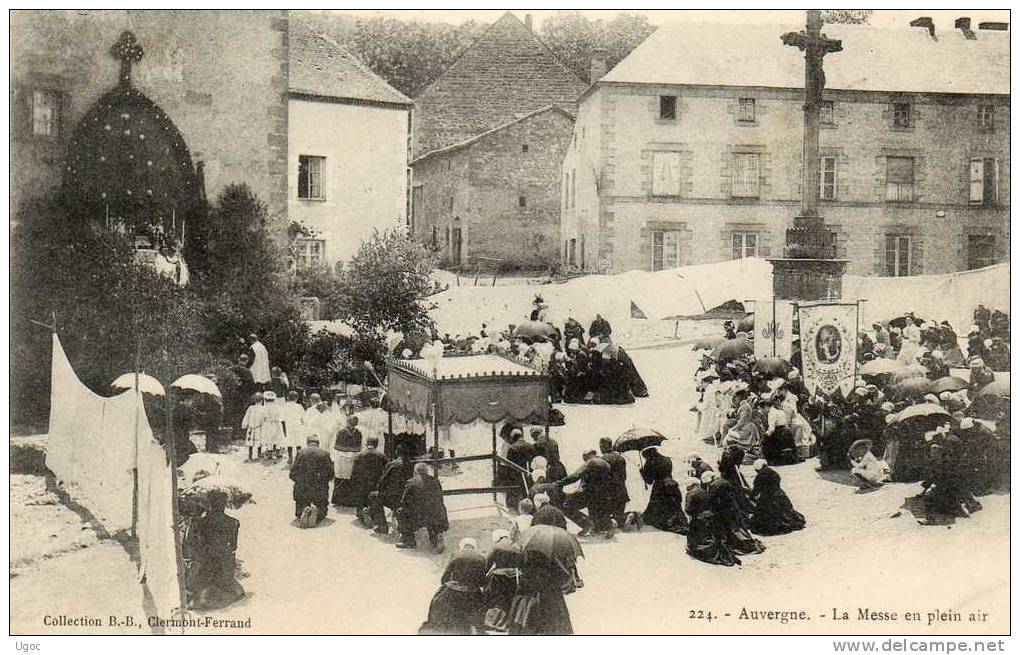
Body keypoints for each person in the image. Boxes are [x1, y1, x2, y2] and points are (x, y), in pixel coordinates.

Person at [187, 489, 245, 610]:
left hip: (205, 565)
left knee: (200, 591)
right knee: (237, 592)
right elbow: (233, 546)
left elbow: (193, 545)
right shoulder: (233, 522)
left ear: (209, 504)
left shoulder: (200, 522)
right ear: (224, 504)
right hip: (224, 565)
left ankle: (203, 596)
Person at [418, 538, 489, 634]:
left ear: (462, 546)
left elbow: (446, 575)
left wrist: (445, 585)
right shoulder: (481, 558)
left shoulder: (456, 554)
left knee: (436, 600)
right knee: (481, 607)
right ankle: (479, 628)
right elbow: (483, 581)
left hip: (454, 589)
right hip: (472, 592)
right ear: (474, 547)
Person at [508, 537, 575, 635]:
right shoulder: (554, 558)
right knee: (555, 626)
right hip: (551, 597)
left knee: (527, 624)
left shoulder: (527, 557)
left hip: (530, 598)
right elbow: (563, 579)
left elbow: (522, 578)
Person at [684, 474, 741, 567]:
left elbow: (688, 509)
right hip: (711, 518)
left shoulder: (690, 494)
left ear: (690, 485)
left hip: (699, 520)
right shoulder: (704, 491)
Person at [556, 450, 615, 538]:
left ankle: (586, 523)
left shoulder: (591, 462)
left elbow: (575, 476)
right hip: (603, 493)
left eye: (584, 457)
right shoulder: (606, 463)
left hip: (589, 492)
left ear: (589, 455)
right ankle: (608, 528)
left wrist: (558, 483)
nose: (584, 460)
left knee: (566, 505)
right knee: (598, 508)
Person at [397, 463, 450, 552]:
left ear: (415, 472)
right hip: (435, 515)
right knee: (437, 508)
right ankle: (437, 538)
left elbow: (404, 501)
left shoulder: (411, 482)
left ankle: (408, 540)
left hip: (418, 516)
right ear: (427, 471)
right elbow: (440, 497)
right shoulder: (435, 480)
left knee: (401, 511)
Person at [748, 459, 805, 535]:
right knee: (785, 511)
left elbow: (756, 490)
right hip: (779, 494)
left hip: (767, 497)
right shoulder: (774, 473)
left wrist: (751, 497)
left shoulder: (759, 477)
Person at [639, 446, 687, 533]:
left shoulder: (650, 462)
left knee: (657, 509)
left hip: (660, 487)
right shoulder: (667, 459)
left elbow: (649, 481)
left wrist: (642, 472)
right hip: (672, 485)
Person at [289, 437, 334, 524]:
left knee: (299, 510)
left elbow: (292, 473)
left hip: (303, 489)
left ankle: (304, 511)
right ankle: (317, 512)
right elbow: (331, 473)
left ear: (307, 443)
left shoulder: (300, 453)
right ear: (318, 443)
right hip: (319, 489)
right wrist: (323, 482)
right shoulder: (325, 453)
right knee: (323, 511)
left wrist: (299, 482)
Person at [339, 436, 388, 517]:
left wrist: (353, 484)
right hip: (375, 484)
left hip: (362, 484)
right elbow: (385, 471)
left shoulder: (359, 456)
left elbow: (354, 472)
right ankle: (372, 514)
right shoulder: (382, 456)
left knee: (361, 502)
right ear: (376, 444)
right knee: (374, 501)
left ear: (367, 444)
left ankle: (362, 513)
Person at [485, 529, 523, 623]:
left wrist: (485, 574)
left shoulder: (496, 547)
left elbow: (488, 563)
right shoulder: (517, 546)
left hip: (499, 575)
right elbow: (522, 562)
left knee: (497, 598)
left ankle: (495, 619)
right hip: (514, 575)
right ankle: (507, 620)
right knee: (510, 598)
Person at [598, 437, 631, 528]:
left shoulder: (602, 459)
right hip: (621, 490)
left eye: (601, 445)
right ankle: (632, 515)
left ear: (603, 446)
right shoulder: (621, 458)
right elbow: (624, 476)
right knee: (618, 516)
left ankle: (612, 523)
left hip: (609, 491)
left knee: (603, 516)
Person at [331, 415, 364, 506]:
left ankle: (339, 500)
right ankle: (351, 500)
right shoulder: (358, 432)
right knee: (351, 478)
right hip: (353, 457)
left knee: (340, 478)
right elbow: (359, 447)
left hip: (342, 457)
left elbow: (336, 447)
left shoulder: (341, 432)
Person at [763, 392, 799, 465]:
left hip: (780, 433)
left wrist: (765, 435)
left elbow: (772, 429)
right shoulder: (780, 411)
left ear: (766, 407)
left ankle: (771, 459)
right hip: (787, 432)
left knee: (766, 439)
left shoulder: (771, 413)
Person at [228, 355, 255, 438]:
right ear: (246, 361)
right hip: (244, 395)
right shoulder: (248, 372)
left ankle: (234, 433)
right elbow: (251, 385)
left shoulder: (231, 369)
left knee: (235, 413)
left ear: (238, 359)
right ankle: (242, 433)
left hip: (233, 395)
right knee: (243, 414)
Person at [260, 390, 286, 460]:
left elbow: (262, 417)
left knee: (269, 439)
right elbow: (282, 416)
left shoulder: (264, 407)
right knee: (278, 438)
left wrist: (263, 422)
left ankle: (269, 454)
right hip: (277, 423)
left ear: (265, 399)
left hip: (268, 424)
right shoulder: (277, 407)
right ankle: (278, 453)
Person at [282, 391, 306, 464]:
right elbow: (303, 417)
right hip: (298, 426)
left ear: (288, 398)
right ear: (297, 398)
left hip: (289, 426)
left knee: (289, 442)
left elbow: (282, 420)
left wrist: (284, 430)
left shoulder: (285, 406)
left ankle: (290, 458)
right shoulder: (299, 406)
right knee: (298, 442)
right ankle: (298, 458)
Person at [241, 392, 265, 461]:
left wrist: (244, 424)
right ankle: (259, 455)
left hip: (251, 427)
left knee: (250, 443)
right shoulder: (262, 408)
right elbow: (264, 418)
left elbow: (246, 417)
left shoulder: (250, 408)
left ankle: (250, 455)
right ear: (261, 400)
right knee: (259, 442)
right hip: (258, 427)